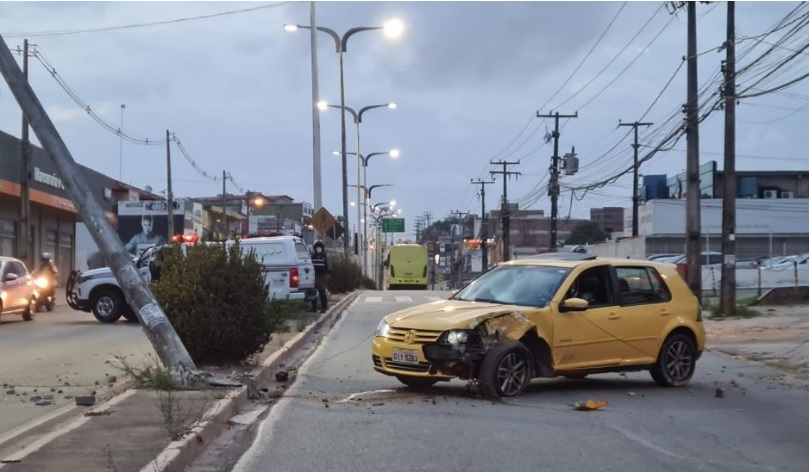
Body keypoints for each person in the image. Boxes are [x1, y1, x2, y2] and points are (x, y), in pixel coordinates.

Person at [310, 240, 330, 313]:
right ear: (315, 248)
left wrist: (328, 273)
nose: (319, 249)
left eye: (320, 247)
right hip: (314, 276)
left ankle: (324, 307)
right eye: (317, 247)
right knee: (313, 292)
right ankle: (314, 307)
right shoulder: (312, 256)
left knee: (322, 292)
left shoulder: (324, 256)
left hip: (322, 276)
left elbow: (328, 266)